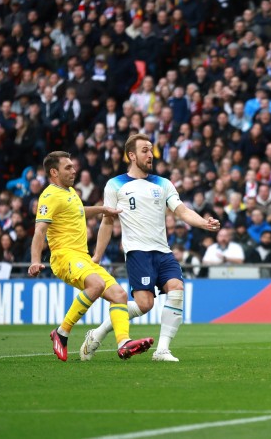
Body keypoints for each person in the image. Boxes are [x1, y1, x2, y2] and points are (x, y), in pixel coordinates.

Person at [82, 134, 221, 363]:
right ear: (132, 155)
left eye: (151, 150)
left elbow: (182, 211)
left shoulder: (163, 183)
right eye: (145, 150)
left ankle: (162, 350)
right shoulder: (115, 184)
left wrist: (204, 223)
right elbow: (107, 222)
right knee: (145, 305)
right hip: (138, 253)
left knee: (177, 288)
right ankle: (98, 333)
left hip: (163, 251)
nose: (150, 155)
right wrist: (97, 255)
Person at [28, 151, 154, 362]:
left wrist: (103, 209)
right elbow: (40, 230)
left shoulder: (69, 192)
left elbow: (78, 210)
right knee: (96, 285)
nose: (74, 170)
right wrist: (35, 260)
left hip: (82, 257)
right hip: (65, 256)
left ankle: (123, 343)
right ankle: (62, 332)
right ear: (54, 172)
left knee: (119, 295)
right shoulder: (49, 196)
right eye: (68, 167)